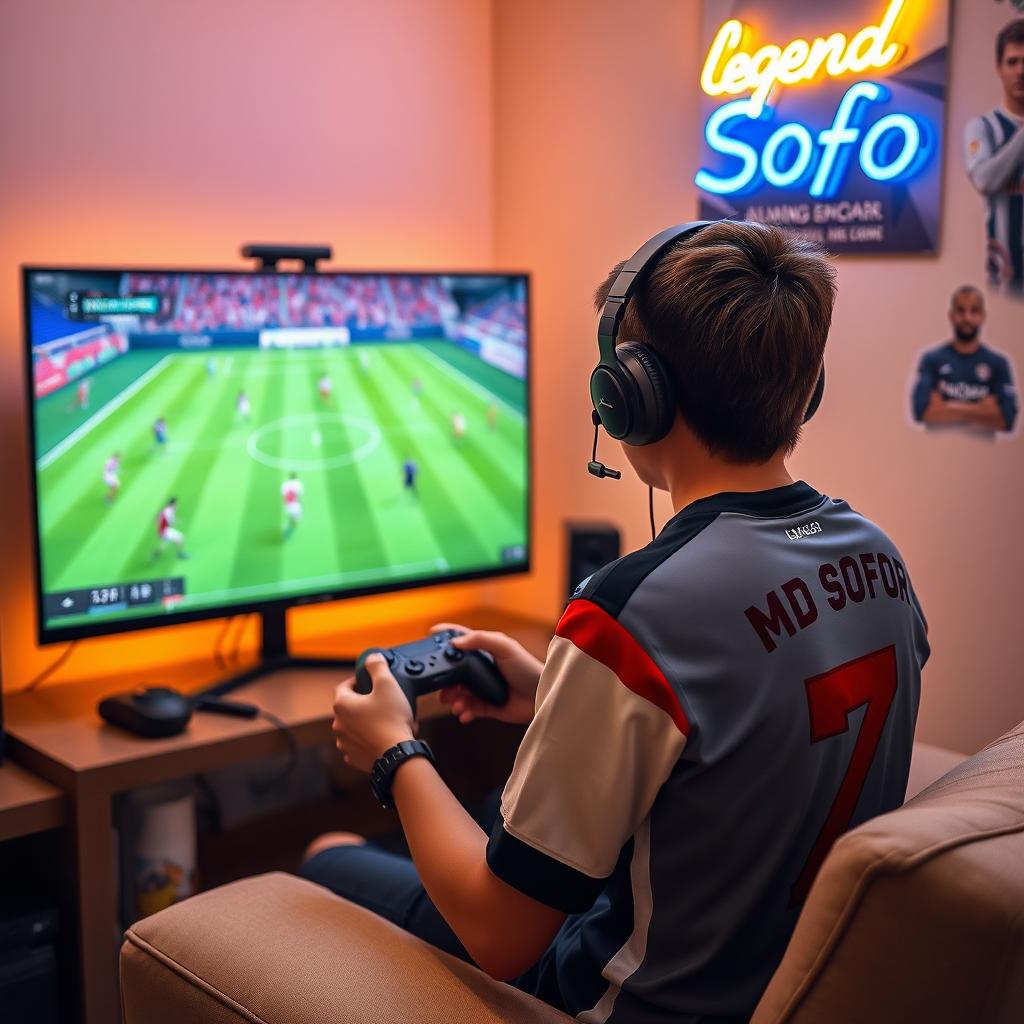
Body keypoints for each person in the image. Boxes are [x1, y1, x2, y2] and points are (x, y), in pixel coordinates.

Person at [302, 222, 929, 1022]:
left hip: (628, 997)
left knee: (332, 854)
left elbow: (502, 935)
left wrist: (392, 752)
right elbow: (753, 714)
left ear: (628, 396)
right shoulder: (882, 560)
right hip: (781, 980)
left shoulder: (632, 611)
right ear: (806, 389)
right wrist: (555, 691)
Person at [964, 17, 1024, 296]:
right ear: (999, 68)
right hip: (1004, 280)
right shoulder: (983, 127)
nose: (1020, 71)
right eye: (1012, 62)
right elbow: (985, 179)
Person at [911, 284, 1018, 435]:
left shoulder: (998, 363)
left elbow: (1007, 421)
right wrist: (982, 410)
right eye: (960, 311)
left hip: (983, 455)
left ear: (982, 316)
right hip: (936, 453)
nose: (967, 318)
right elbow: (921, 413)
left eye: (974, 311)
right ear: (951, 315)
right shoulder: (931, 359)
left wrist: (945, 406)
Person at [281, 472, 304, 538]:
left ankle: (289, 525)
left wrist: (285, 503)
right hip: (295, 505)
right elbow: (300, 494)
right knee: (296, 518)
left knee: (292, 516)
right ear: (296, 477)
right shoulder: (298, 483)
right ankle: (289, 529)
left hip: (287, 505)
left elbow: (283, 495)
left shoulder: (285, 483)